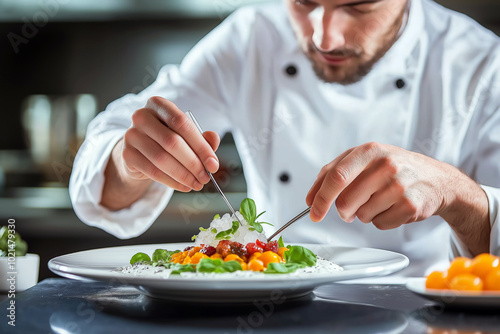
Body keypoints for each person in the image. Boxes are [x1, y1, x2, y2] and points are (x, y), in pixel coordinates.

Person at [69, 0, 500, 276]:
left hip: (419, 318)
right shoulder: (251, 36)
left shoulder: (480, 63)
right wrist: (129, 159)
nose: (322, 36)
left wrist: (455, 193)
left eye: (360, 6)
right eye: (304, 2)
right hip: (266, 311)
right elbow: (103, 171)